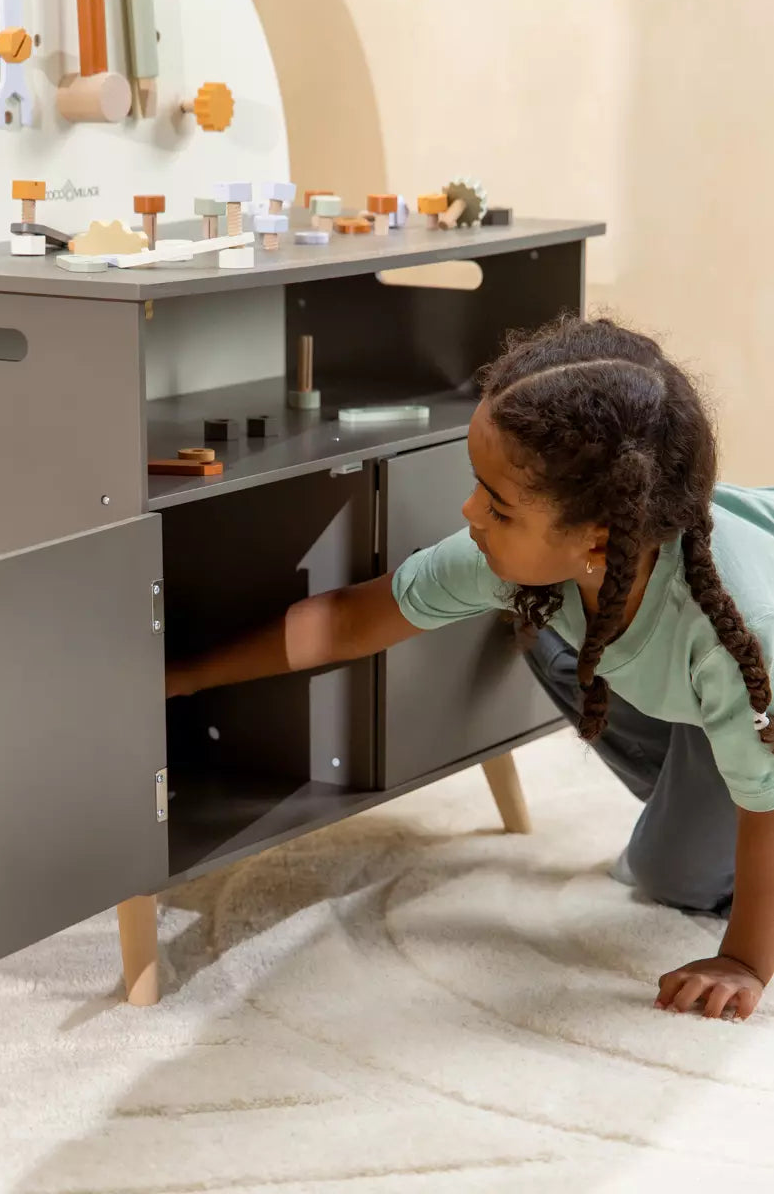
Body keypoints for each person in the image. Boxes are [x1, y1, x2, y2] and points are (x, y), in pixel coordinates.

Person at [167, 315, 774, 1023]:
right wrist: (180, 677)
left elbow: (764, 804)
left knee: (670, 876)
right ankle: (713, 778)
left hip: (753, 691)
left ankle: (715, 796)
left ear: (596, 541)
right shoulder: (541, 560)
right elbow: (349, 620)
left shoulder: (738, 635)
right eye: (477, 486)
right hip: (713, 694)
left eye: (497, 506)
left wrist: (744, 961)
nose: (469, 512)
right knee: (539, 633)